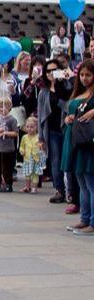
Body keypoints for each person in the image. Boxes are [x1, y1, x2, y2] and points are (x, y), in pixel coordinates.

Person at [64, 60, 94, 235]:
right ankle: (85, 218)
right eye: (82, 75)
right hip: (75, 139)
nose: (84, 78)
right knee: (82, 183)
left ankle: (92, 222)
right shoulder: (78, 93)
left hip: (88, 143)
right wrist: (68, 118)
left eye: (88, 75)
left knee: (90, 183)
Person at [39, 58, 71, 203]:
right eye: (48, 71)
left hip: (65, 128)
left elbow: (67, 106)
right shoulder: (43, 92)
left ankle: (71, 190)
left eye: (54, 70)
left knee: (68, 160)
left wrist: (63, 81)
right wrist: (41, 138)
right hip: (51, 130)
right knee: (55, 161)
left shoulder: (66, 86)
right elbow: (41, 116)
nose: (51, 73)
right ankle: (59, 190)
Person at [0, 97, 17, 192]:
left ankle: (8, 184)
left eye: (3, 107)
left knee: (7, 167)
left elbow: (15, 133)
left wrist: (5, 133)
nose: (1, 109)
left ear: (9, 107)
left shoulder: (12, 120)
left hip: (7, 148)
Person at [20, 116, 44, 193]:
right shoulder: (24, 137)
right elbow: (21, 146)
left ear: (36, 127)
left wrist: (41, 146)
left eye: (32, 127)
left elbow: (42, 147)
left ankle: (34, 188)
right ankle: (27, 187)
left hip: (36, 159)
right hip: (27, 159)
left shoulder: (38, 137)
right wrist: (22, 151)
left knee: (35, 175)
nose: (29, 129)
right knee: (27, 174)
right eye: (27, 127)